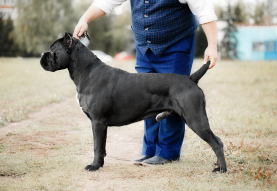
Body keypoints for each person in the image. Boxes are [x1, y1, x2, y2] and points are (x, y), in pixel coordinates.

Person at [73, 0, 218, 165]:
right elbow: (107, 2)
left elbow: (204, 8)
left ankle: (167, 153)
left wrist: (212, 45)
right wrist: (84, 19)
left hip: (176, 42)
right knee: (144, 96)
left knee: (174, 97)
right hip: (144, 46)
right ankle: (150, 151)